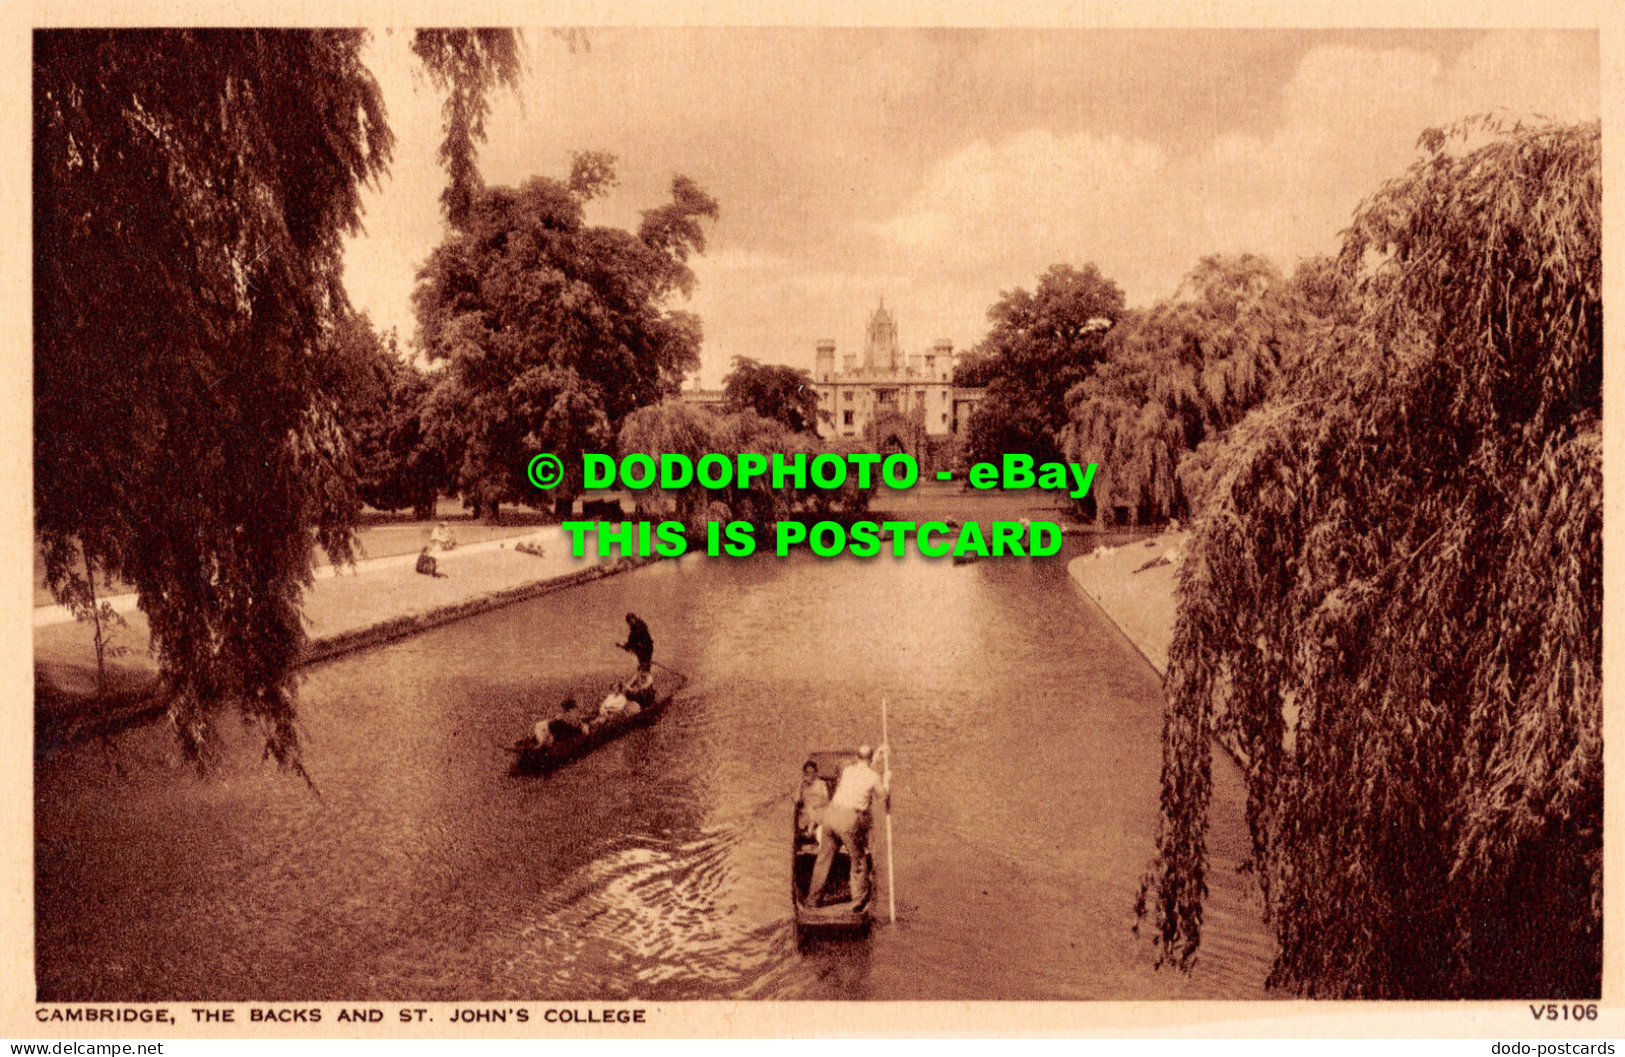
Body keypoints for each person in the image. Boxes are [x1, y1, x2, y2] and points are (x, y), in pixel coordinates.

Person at [806, 744, 889, 908]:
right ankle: (858, 900)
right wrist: (886, 780)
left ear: (857, 758)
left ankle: (812, 900)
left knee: (823, 858)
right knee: (858, 860)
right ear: (870, 759)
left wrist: (876, 761)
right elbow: (882, 797)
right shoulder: (873, 777)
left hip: (830, 815)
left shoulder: (848, 771)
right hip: (847, 819)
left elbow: (862, 772)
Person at [796, 760, 830, 842]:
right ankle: (809, 832)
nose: (811, 775)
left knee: (814, 811)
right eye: (807, 773)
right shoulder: (803, 785)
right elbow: (798, 800)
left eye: (813, 772)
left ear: (816, 772)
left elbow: (826, 799)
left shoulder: (822, 784)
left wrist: (817, 805)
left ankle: (809, 832)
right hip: (806, 811)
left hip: (820, 808)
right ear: (805, 773)